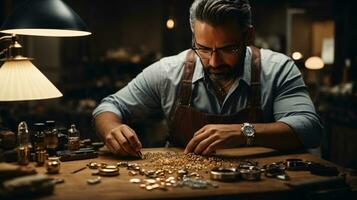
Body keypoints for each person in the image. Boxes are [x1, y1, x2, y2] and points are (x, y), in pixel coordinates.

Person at [93, 0, 323, 157]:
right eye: (202, 48)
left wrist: (243, 132)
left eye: (227, 49)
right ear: (194, 36)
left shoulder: (277, 68)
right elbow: (109, 106)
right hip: (183, 188)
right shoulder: (168, 71)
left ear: (248, 36)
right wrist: (112, 129)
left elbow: (309, 129)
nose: (214, 61)